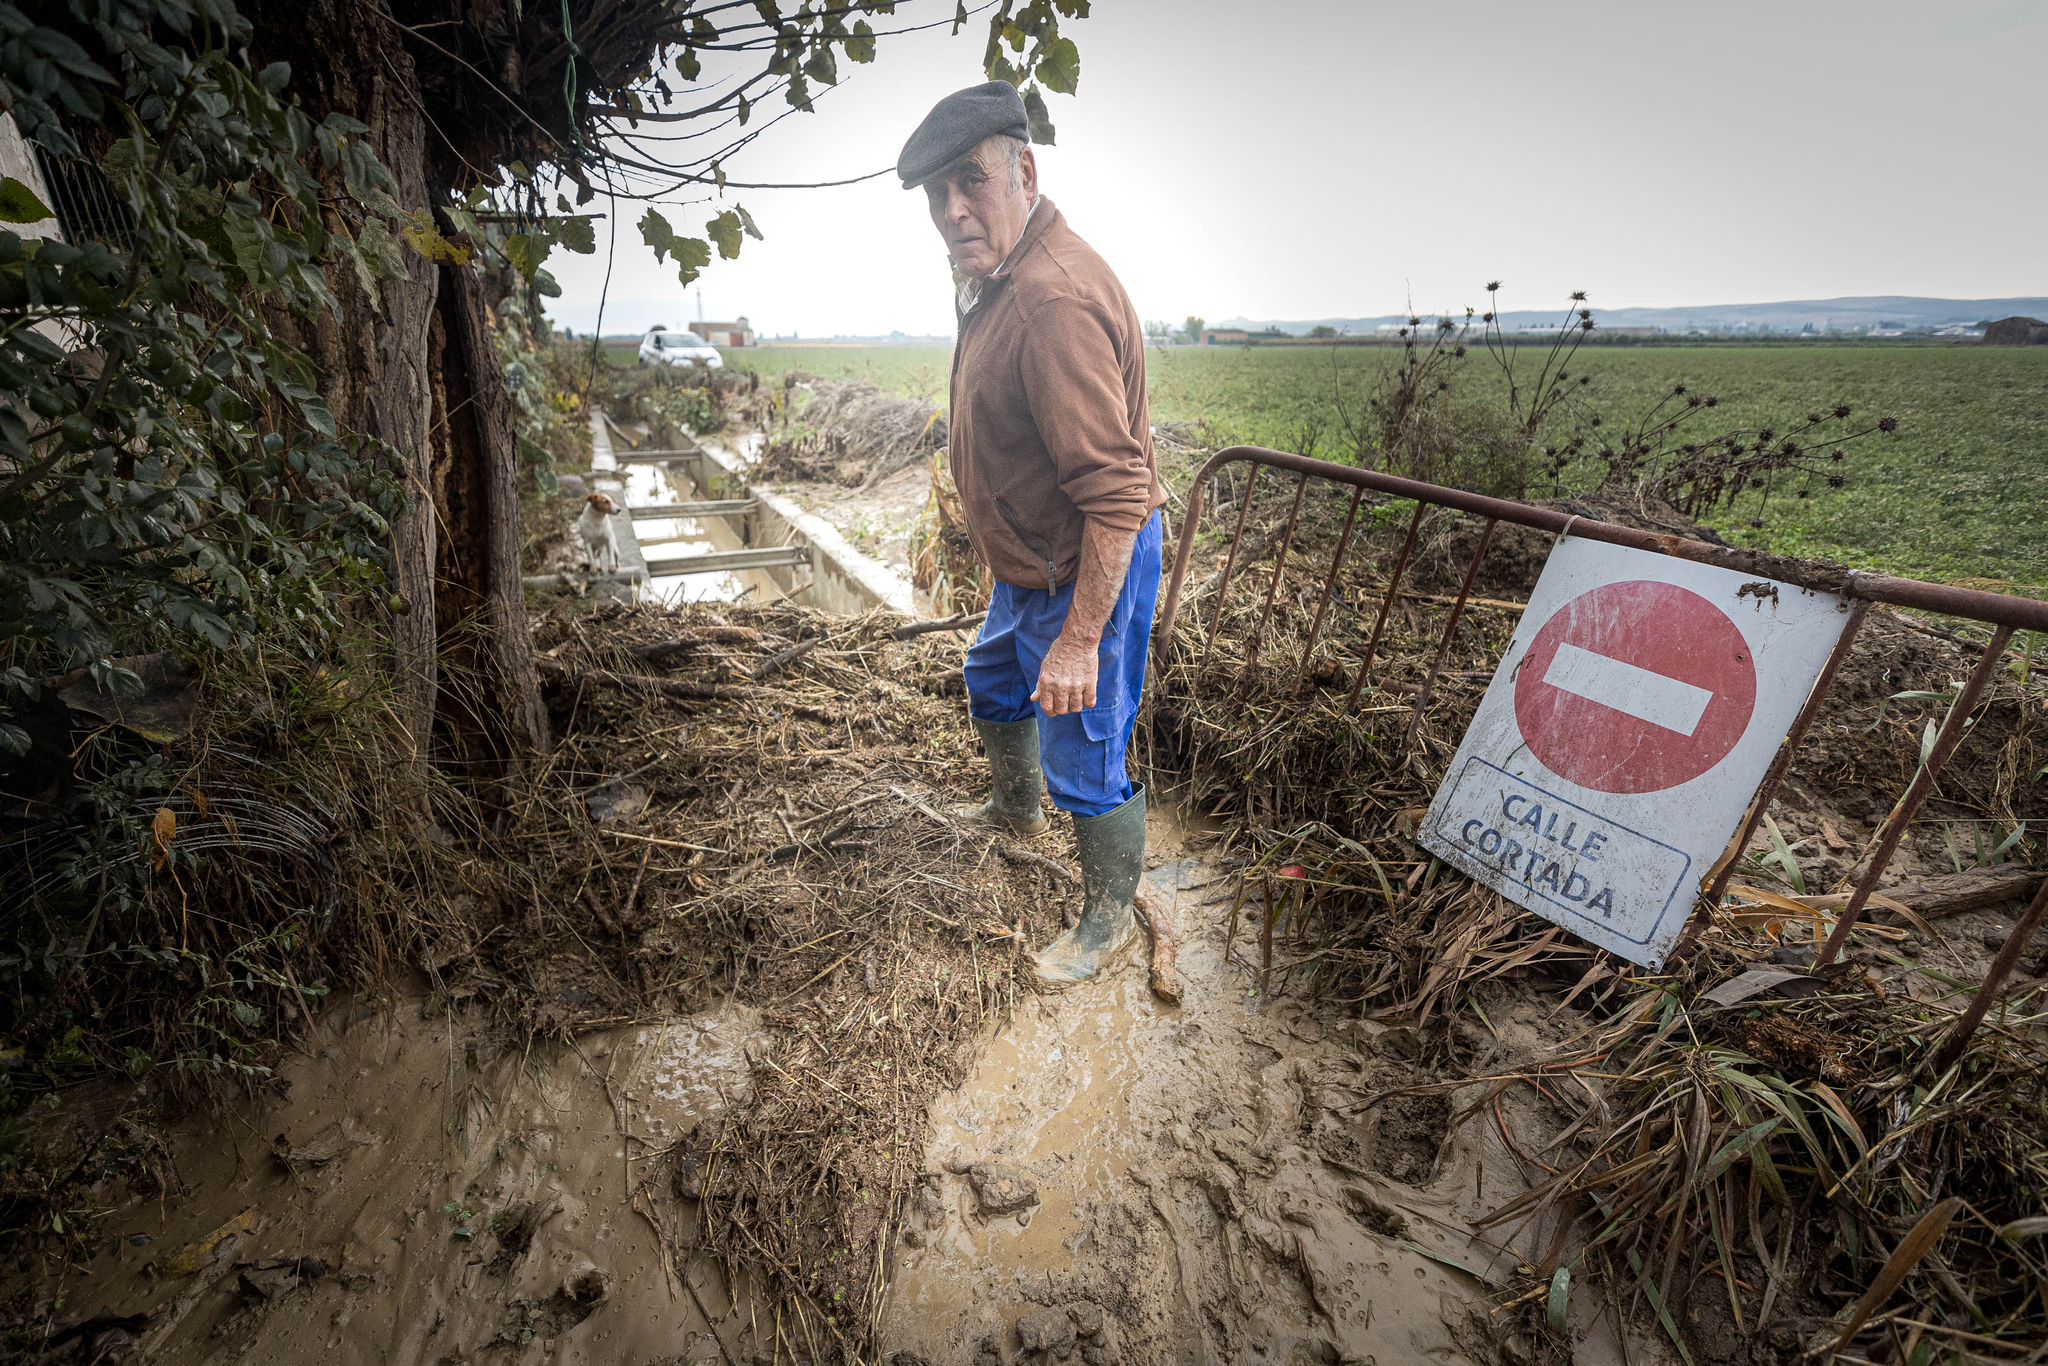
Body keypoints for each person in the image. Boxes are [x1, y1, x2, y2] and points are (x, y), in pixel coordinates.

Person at [897, 81, 1169, 988]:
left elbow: (1119, 494)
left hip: (1091, 560)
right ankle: (1015, 814)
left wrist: (1083, 638)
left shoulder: (1050, 300)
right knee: (992, 681)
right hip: (1034, 562)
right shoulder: (999, 273)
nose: (951, 211)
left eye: (970, 183)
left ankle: (1108, 920)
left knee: (1082, 743)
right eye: (937, 195)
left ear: (1026, 169)